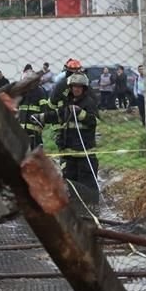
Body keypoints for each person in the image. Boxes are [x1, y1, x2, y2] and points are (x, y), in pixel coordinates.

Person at [46, 72, 100, 201]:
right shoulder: (67, 103)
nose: (76, 89)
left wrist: (81, 113)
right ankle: (76, 211)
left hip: (84, 155)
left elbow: (94, 121)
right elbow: (58, 115)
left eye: (79, 87)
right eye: (74, 86)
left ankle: (92, 210)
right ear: (70, 88)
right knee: (70, 187)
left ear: (84, 88)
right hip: (69, 156)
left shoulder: (89, 103)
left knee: (87, 187)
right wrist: (41, 117)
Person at [18, 64, 49, 149]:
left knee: (35, 151)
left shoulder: (40, 92)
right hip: (21, 131)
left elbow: (44, 110)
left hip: (34, 130)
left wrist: (41, 125)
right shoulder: (22, 93)